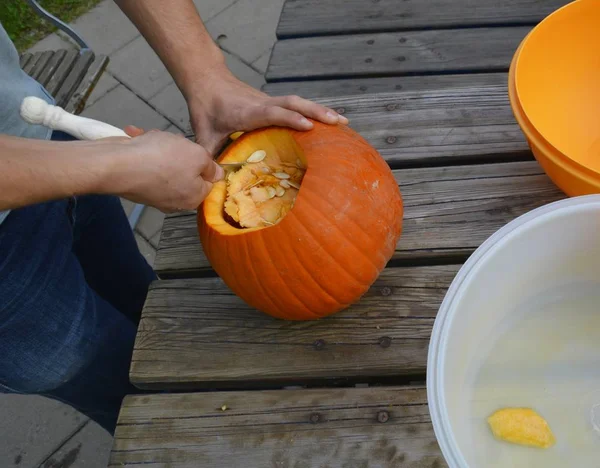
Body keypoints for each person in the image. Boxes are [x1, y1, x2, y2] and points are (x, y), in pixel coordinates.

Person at [0, 0, 346, 434]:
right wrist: (111, 167)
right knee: (123, 390)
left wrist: (207, 78)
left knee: (140, 299)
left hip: (46, 139)